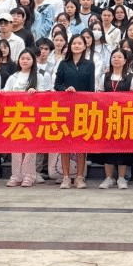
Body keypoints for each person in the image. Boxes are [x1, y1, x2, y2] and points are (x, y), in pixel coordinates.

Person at [96, 47, 133, 189]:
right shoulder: (104, 77)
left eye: (119, 57)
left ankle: (122, 178)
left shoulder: (132, 77)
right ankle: (109, 177)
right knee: (107, 147)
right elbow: (98, 95)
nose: (116, 59)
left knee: (123, 147)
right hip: (107, 117)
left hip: (125, 118)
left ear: (125, 60)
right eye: (114, 57)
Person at [54, 33, 96, 188]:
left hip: (82, 109)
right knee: (65, 142)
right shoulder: (63, 64)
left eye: (80, 43)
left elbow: (91, 88)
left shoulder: (89, 64)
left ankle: (79, 177)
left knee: (81, 144)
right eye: (74, 43)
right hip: (65, 107)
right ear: (70, 46)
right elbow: (57, 85)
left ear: (85, 46)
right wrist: (66, 89)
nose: (77, 46)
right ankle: (66, 177)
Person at [3, 49, 43, 188]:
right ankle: (16, 176)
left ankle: (29, 176)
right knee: (16, 147)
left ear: (33, 61)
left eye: (28, 58)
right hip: (16, 115)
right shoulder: (13, 77)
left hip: (32, 116)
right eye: (22, 58)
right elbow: (5, 93)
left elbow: (46, 95)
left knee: (30, 148)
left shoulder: (38, 77)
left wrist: (36, 92)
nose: (25, 61)